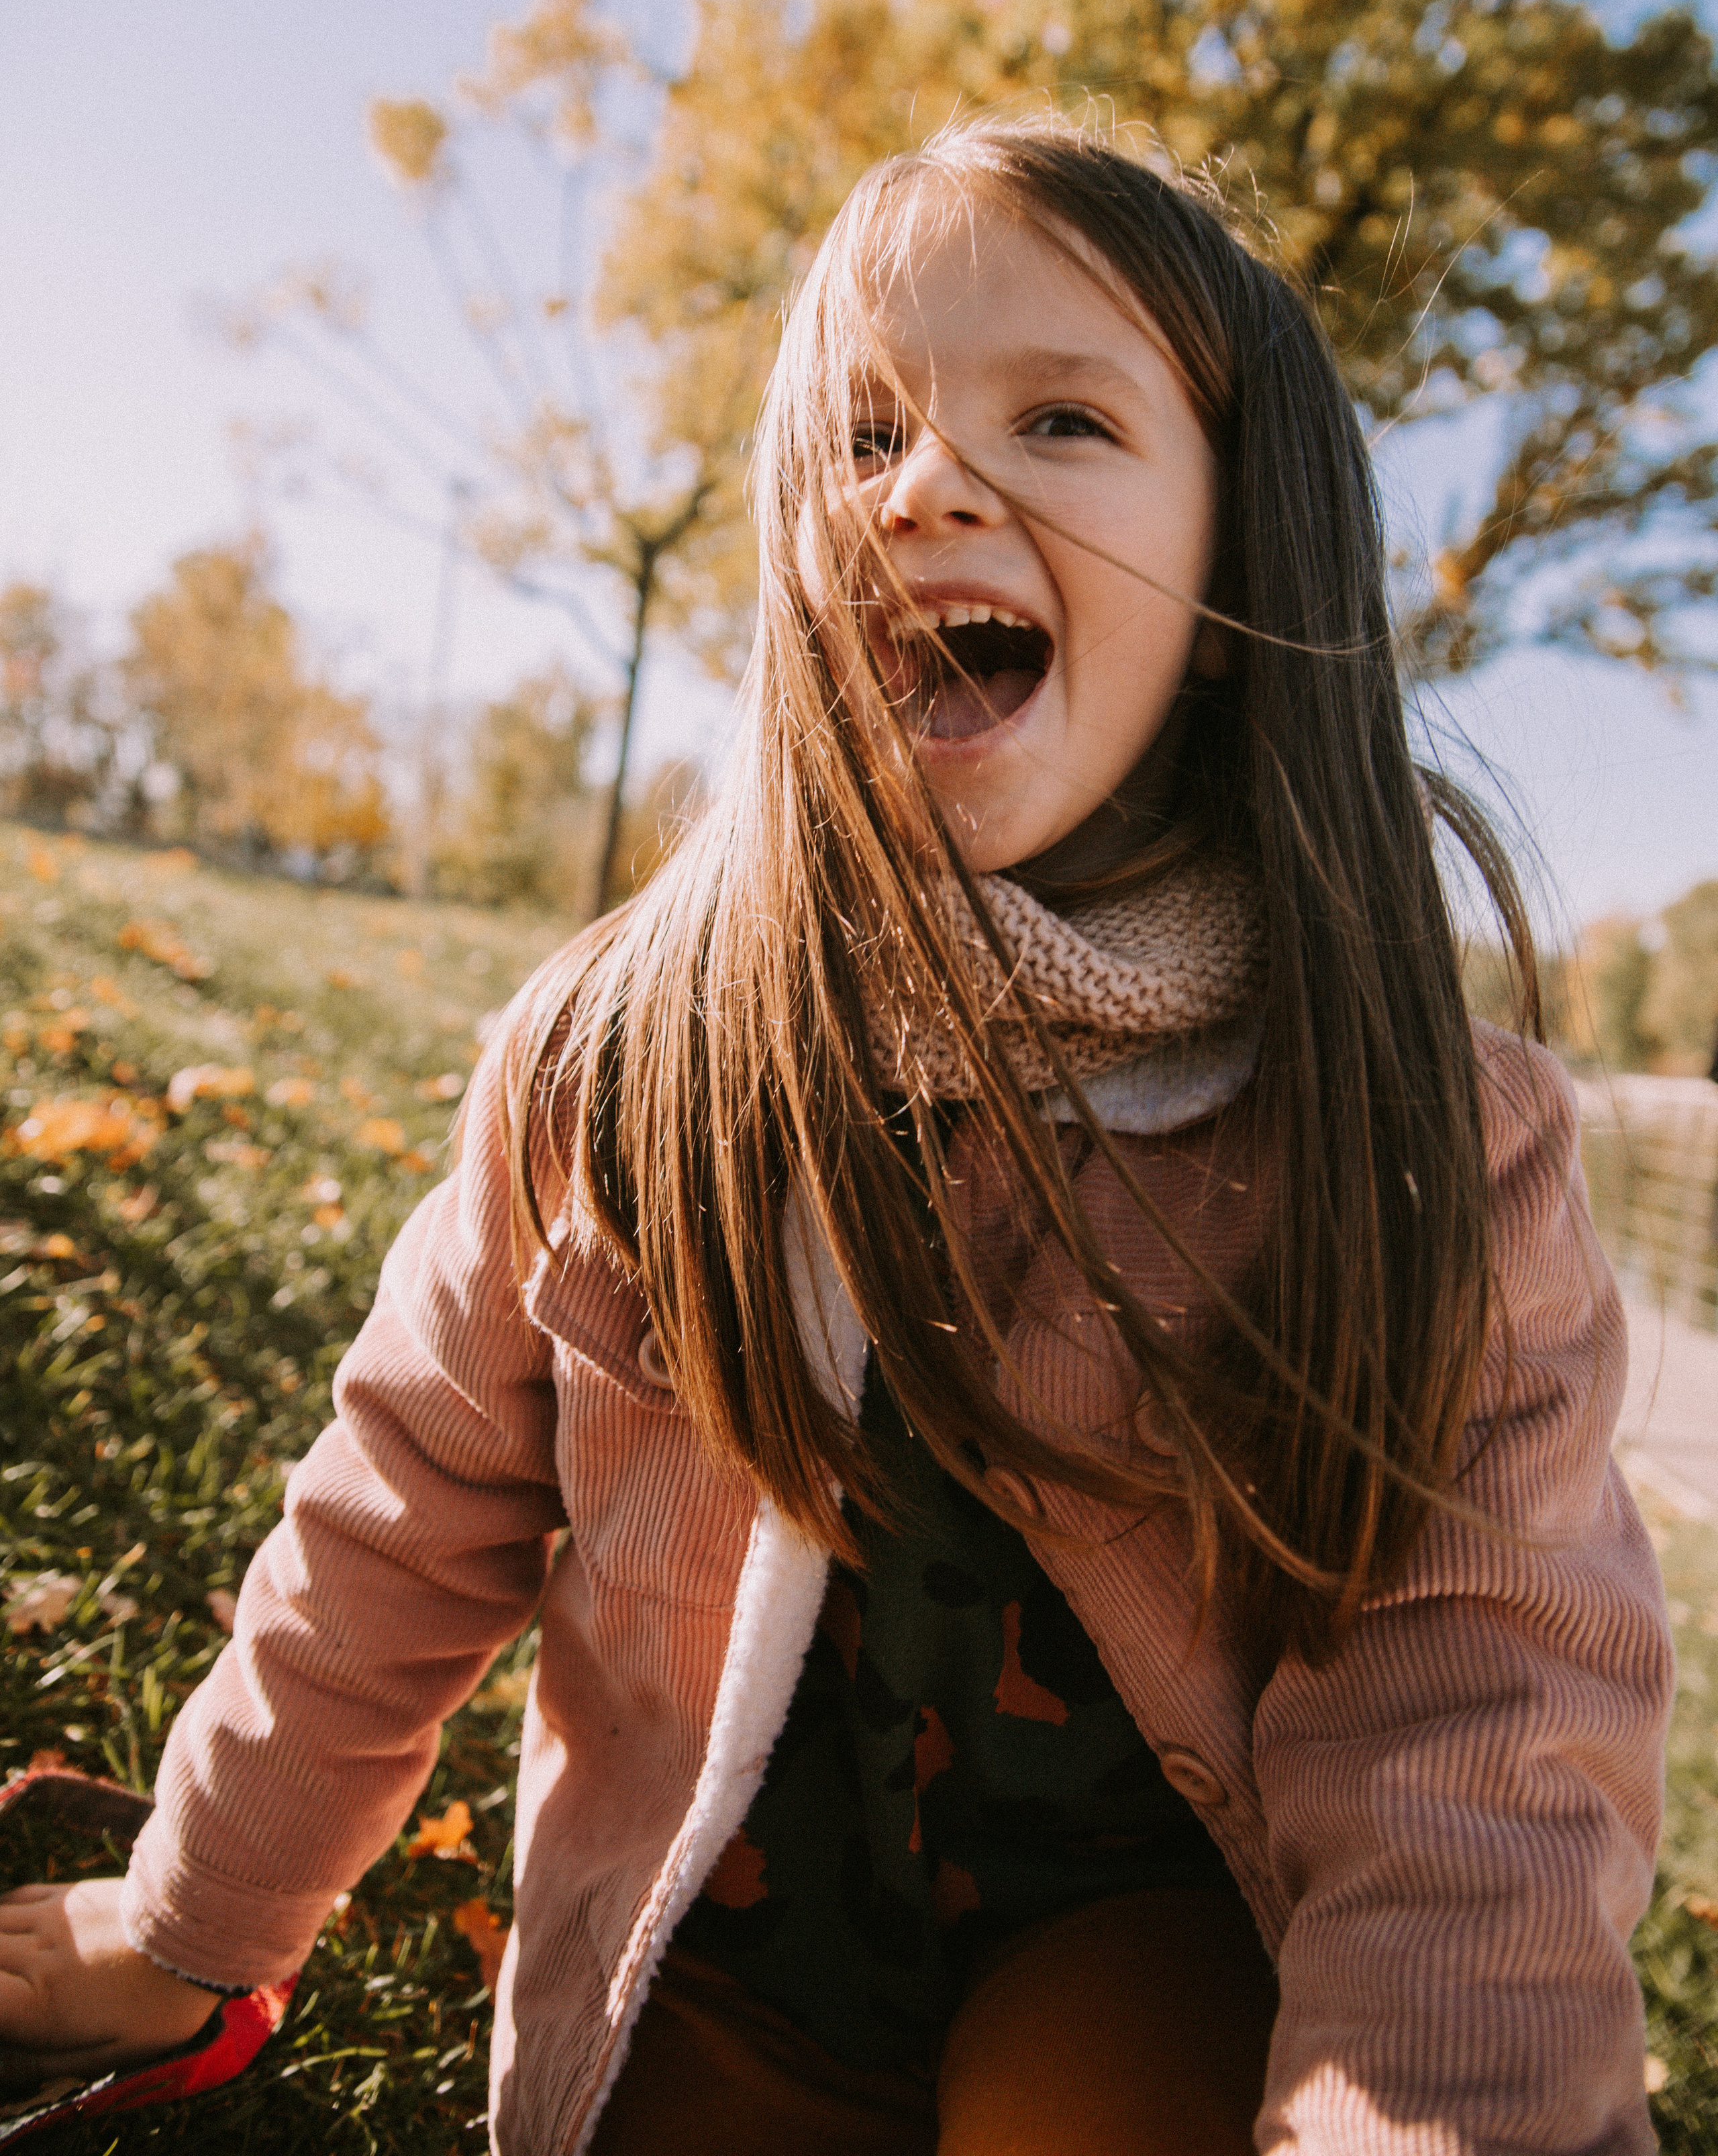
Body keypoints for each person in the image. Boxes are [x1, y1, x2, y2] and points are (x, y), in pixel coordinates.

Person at [0, 118, 1674, 2155]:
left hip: (1140, 1937)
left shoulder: (1413, 1137)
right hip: (722, 1934)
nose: (931, 483)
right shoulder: (627, 1060)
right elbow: (399, 1514)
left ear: (1243, 554)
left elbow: (1478, 1735)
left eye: (1060, 418)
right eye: (862, 433)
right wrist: (191, 1924)